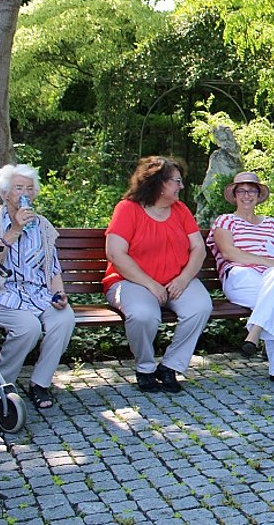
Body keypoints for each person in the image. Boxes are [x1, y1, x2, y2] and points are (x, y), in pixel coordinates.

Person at [0, 164, 75, 410]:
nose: (25, 192)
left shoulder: (42, 226)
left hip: (37, 295)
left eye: (29, 188)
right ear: (5, 193)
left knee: (64, 318)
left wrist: (59, 294)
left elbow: (52, 269)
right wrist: (15, 230)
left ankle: (40, 383)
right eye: (18, 188)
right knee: (28, 327)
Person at [104, 157, 212, 393]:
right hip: (131, 281)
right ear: (159, 183)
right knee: (143, 315)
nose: (181, 187)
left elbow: (199, 248)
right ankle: (145, 369)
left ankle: (171, 366)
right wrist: (150, 284)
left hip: (176, 280)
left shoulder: (181, 210)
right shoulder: (127, 209)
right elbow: (115, 253)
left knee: (200, 307)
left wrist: (183, 279)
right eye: (177, 181)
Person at [207, 172, 274, 384]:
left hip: (273, 277)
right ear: (234, 195)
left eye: (251, 191)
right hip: (241, 277)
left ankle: (255, 331)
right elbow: (230, 253)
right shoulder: (226, 220)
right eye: (241, 190)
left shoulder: (271, 223)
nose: (246, 195)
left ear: (259, 196)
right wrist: (267, 262)